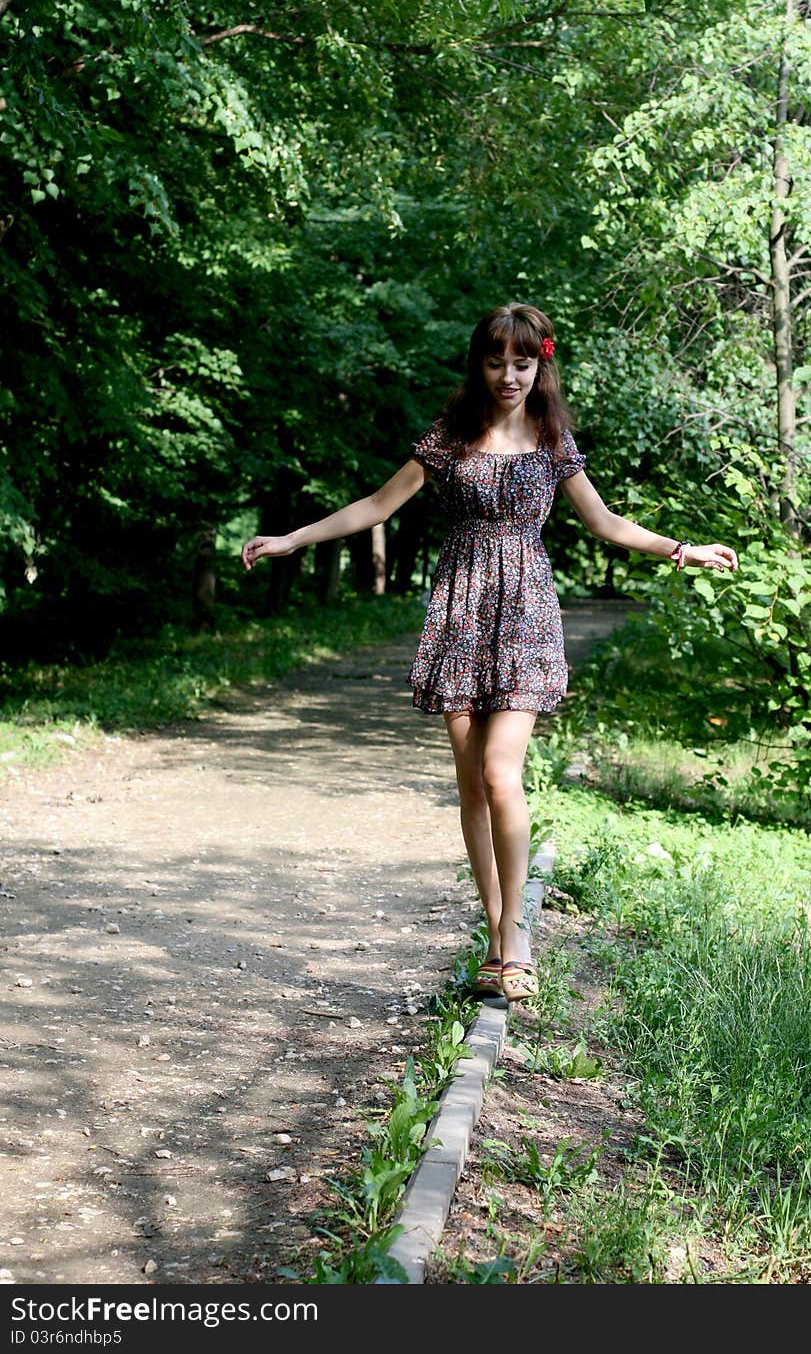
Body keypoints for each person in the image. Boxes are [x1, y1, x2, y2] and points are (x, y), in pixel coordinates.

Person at [241, 303, 738, 1004]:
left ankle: (515, 938)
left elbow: (604, 522)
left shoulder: (551, 438)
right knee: (472, 781)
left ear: (541, 365)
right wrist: (293, 538)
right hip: (461, 612)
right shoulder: (449, 437)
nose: (510, 375)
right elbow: (375, 507)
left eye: (523, 362)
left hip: (527, 612)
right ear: (480, 363)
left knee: (503, 775)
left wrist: (681, 549)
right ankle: (496, 929)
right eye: (497, 360)